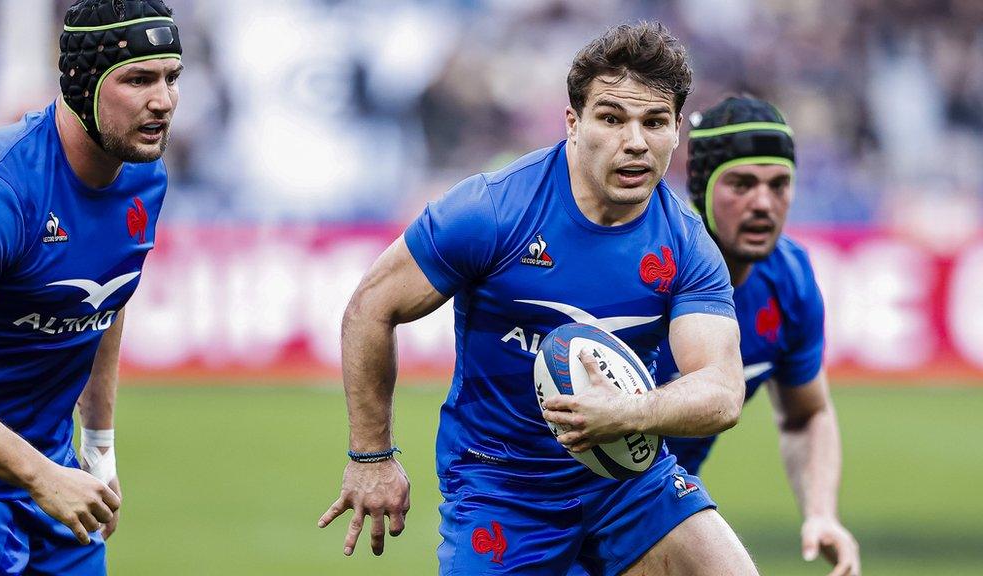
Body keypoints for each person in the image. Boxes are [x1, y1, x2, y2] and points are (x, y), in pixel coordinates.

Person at [320, 22, 760, 575]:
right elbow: (371, 307)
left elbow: (722, 390)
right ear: (573, 124)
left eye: (655, 122)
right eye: (612, 118)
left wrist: (628, 413)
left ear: (676, 131)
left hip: (627, 481)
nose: (635, 142)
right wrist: (371, 456)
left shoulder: (687, 245)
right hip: (503, 487)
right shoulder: (495, 210)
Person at [0, 0, 182, 572]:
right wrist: (38, 474)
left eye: (171, 77)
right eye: (139, 79)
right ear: (83, 83)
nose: (163, 99)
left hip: (58, 484)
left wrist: (99, 448)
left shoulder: (145, 176)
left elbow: (108, 297)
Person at [653, 96, 861, 576]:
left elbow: (805, 416)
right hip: (554, 498)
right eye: (742, 184)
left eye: (779, 184)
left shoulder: (790, 279)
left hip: (654, 500)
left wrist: (821, 512)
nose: (764, 203)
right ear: (702, 189)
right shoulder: (644, 267)